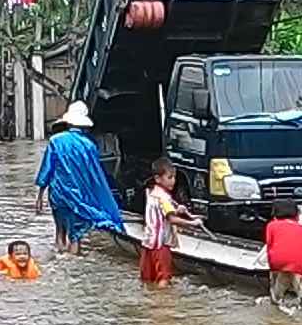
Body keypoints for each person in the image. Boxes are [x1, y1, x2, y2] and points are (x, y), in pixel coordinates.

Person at [34, 101, 125, 254]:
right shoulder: (89, 145)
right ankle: (74, 261)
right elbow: (94, 175)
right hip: (78, 195)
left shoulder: (55, 141)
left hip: (57, 192)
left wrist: (39, 195)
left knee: (59, 231)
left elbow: (46, 169)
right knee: (75, 234)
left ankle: (59, 257)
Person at [141, 158, 205, 288]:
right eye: (169, 177)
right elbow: (172, 220)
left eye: (174, 177)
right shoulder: (164, 197)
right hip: (161, 245)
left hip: (148, 244)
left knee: (148, 279)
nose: (173, 181)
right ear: (158, 179)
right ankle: (164, 305)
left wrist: (176, 209)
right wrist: (193, 223)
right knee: (163, 278)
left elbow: (161, 212)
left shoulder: (152, 192)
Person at [254, 199, 302, 308]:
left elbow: (270, 247)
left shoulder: (271, 226)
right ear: (297, 216)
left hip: (278, 264)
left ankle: (277, 298)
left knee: (277, 300)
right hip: (299, 267)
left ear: (275, 216)